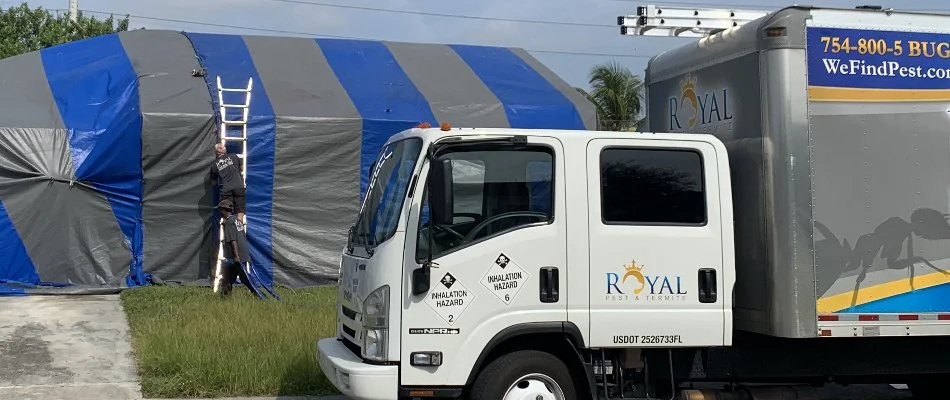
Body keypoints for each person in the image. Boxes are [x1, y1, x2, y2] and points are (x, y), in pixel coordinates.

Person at [217, 199, 257, 297]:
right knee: (235, 278)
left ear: (223, 209)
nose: (219, 212)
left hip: (235, 256)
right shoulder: (237, 220)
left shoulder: (229, 222)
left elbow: (233, 240)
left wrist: (236, 256)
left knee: (229, 278)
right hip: (242, 254)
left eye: (220, 209)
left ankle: (258, 294)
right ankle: (256, 294)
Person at [211, 143, 246, 221]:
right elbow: (241, 168)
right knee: (240, 208)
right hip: (238, 186)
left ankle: (228, 228)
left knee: (226, 212)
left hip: (226, 189)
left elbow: (213, 182)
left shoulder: (214, 165)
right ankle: (239, 227)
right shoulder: (233, 156)